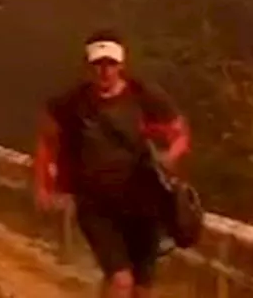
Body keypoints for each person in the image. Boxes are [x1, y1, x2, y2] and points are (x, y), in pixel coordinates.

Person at [33, 30, 191, 298]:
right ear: (87, 66)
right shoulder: (72, 102)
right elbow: (47, 140)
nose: (104, 71)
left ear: (121, 65)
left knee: (142, 289)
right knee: (121, 280)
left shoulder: (144, 96)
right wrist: (43, 186)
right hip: (96, 205)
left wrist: (170, 156)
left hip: (143, 205)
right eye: (98, 64)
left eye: (110, 64)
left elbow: (179, 131)